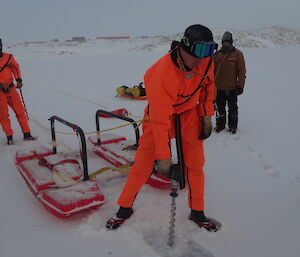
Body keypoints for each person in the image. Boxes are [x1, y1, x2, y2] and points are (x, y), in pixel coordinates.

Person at [106, 25, 219, 231]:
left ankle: (197, 211)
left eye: (207, 52)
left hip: (188, 114)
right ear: (183, 48)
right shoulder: (161, 74)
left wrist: (206, 115)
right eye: (198, 53)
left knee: (196, 163)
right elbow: (160, 121)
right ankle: (124, 207)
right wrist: (163, 156)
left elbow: (208, 88)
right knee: (143, 163)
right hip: (159, 116)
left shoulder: (206, 62)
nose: (201, 60)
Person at [0, 38, 35, 145]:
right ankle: (9, 137)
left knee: (20, 112)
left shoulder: (8, 57)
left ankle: (27, 134)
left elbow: (15, 68)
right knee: (3, 116)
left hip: (11, 89)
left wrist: (18, 79)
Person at [213, 31, 246, 134]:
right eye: (224, 42)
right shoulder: (217, 54)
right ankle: (220, 125)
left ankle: (232, 126)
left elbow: (241, 71)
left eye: (227, 41)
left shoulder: (238, 54)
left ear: (231, 42)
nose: (225, 43)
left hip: (232, 88)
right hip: (219, 88)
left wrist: (240, 86)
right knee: (219, 109)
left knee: (232, 109)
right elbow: (211, 71)